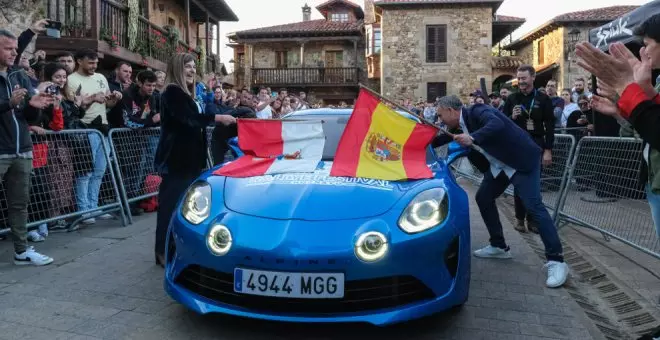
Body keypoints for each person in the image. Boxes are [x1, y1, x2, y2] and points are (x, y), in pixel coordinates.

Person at [433, 95, 569, 288]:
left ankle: (557, 261)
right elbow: (439, 138)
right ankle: (499, 246)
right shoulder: (457, 125)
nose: (440, 120)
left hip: (522, 162)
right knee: (483, 198)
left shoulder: (478, 111)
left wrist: (472, 138)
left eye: (440, 115)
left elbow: (496, 123)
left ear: (450, 111)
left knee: (533, 206)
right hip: (501, 167)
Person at [153, 53, 236, 267]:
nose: (191, 70)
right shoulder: (172, 92)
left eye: (193, 67)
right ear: (176, 69)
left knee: (184, 208)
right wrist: (218, 118)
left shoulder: (186, 94)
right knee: (169, 206)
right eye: (187, 67)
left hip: (189, 160)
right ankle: (162, 251)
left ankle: (176, 248)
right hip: (176, 160)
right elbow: (188, 119)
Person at [0, 29, 55, 265]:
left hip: (22, 149)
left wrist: (35, 106)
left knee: (20, 203)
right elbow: (8, 107)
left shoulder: (19, 76)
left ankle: (22, 251)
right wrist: (7, 104)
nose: (15, 53)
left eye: (15, 48)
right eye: (8, 48)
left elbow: (29, 118)